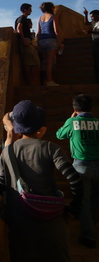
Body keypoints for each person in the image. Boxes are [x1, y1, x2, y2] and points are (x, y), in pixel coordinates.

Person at [0, 100, 82, 262]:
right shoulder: (51, 148)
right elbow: (75, 180)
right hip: (52, 221)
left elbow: (1, 188)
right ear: (41, 130)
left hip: (19, 221)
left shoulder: (7, 152)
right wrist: (73, 209)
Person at [56, 94, 99, 248]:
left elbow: (59, 135)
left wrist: (70, 118)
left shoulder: (73, 121)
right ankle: (92, 224)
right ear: (91, 108)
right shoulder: (98, 122)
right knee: (95, 199)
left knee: (84, 201)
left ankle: (88, 236)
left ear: (75, 108)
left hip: (81, 166)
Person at [37, 2, 64, 86]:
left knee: (44, 63)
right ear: (51, 8)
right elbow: (56, 31)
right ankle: (49, 81)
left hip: (42, 41)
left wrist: (37, 43)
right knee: (50, 62)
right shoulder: (53, 17)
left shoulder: (40, 18)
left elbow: (38, 32)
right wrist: (60, 43)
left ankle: (43, 81)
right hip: (51, 40)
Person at [15, 3, 40, 85]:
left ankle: (30, 81)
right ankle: (29, 81)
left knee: (33, 62)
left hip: (27, 41)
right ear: (25, 10)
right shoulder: (22, 18)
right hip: (25, 40)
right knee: (29, 62)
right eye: (30, 9)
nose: (31, 11)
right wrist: (23, 40)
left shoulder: (23, 18)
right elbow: (19, 28)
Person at [83, 8, 99, 82]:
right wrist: (85, 14)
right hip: (95, 41)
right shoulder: (95, 23)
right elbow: (86, 23)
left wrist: (91, 32)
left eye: (92, 16)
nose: (91, 18)